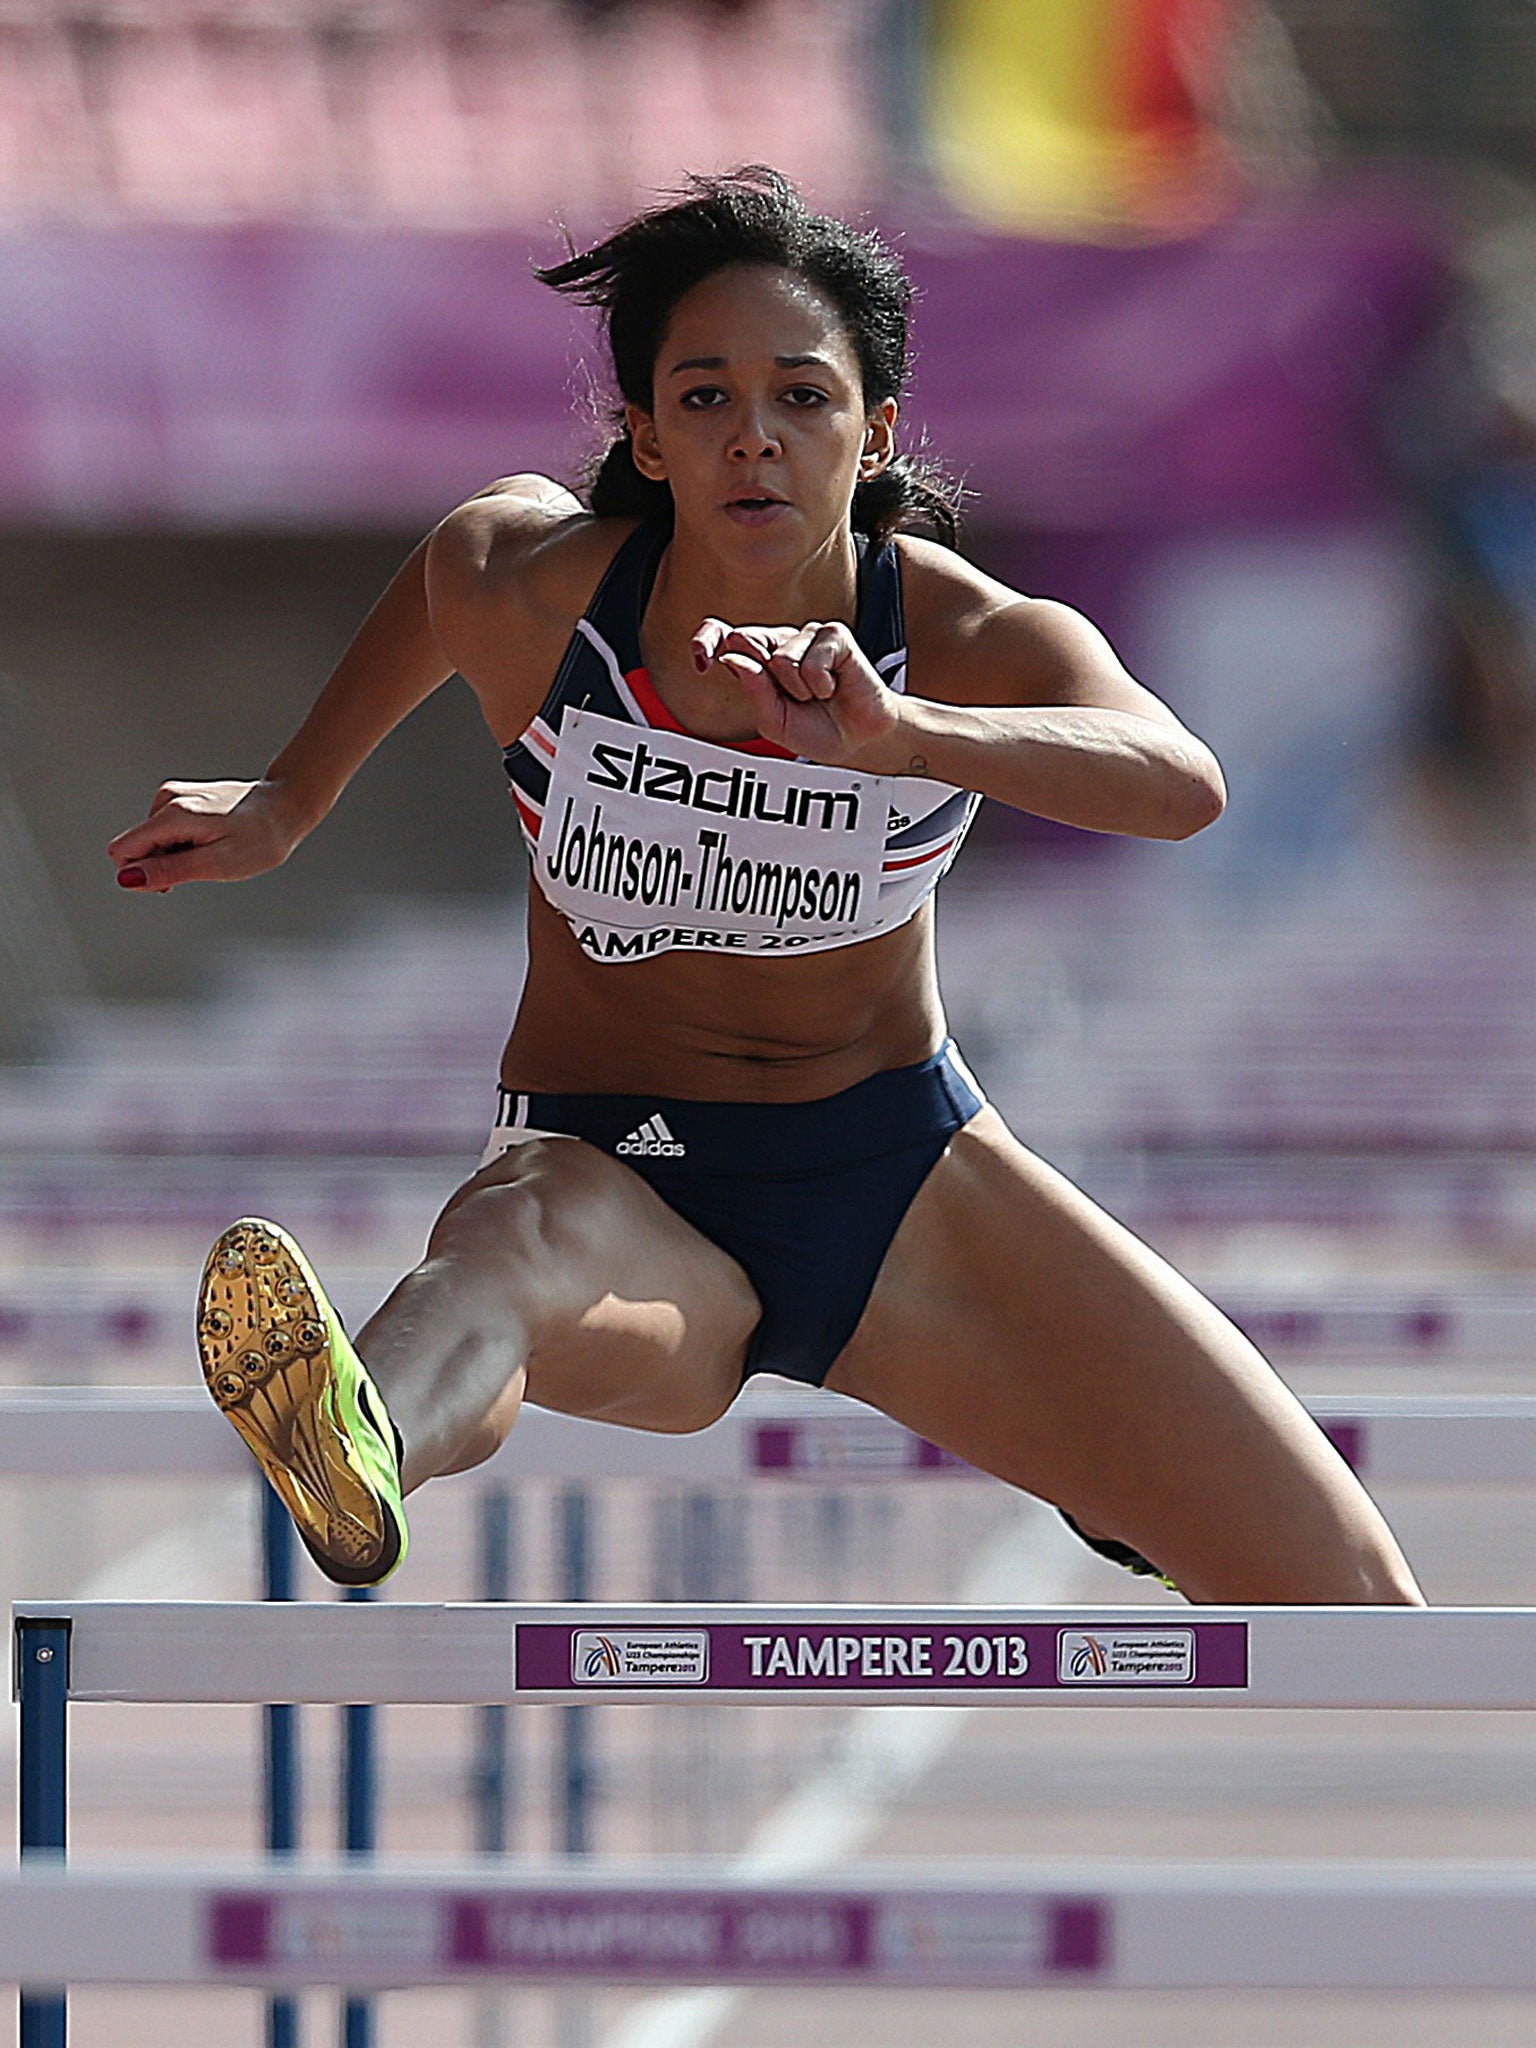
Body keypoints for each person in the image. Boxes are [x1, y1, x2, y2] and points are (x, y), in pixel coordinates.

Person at [109, 168, 1423, 1606]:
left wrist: (900, 732)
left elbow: (1180, 783)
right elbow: (446, 570)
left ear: (876, 435)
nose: (755, 440)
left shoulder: (962, 633)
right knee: (500, 1258)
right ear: (647, 440)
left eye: (802, 398)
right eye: (705, 400)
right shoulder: (540, 589)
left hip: (893, 1179)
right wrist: (292, 796)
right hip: (612, 1171)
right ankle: (359, 1443)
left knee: (1347, 1589)